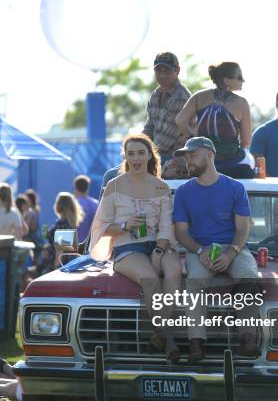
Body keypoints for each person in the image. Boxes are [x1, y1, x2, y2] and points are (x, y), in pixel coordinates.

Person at [90, 134, 182, 363]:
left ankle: (158, 336)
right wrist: (124, 225)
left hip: (159, 245)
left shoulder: (161, 186)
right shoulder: (114, 185)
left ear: (150, 155)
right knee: (150, 278)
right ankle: (168, 338)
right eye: (131, 153)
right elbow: (100, 226)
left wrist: (160, 250)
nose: (136, 158)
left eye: (141, 153)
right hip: (127, 248)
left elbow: (166, 225)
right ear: (126, 157)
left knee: (174, 271)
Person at [173, 137, 260, 363]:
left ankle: (248, 338)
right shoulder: (183, 192)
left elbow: (242, 228)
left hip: (233, 247)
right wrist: (200, 250)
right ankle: (196, 344)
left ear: (209, 154)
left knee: (249, 276)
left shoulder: (235, 187)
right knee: (194, 282)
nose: (188, 161)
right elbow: (181, 232)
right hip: (199, 249)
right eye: (186, 157)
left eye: (192, 155)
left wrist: (231, 253)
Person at [175, 61, 254, 178]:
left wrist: (192, 139)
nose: (243, 80)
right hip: (231, 162)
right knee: (250, 164)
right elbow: (246, 141)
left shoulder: (199, 96)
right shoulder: (241, 103)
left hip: (203, 159)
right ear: (226, 80)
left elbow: (180, 120)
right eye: (239, 77)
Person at [143, 52, 191, 167]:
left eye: (167, 71)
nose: (163, 75)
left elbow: (164, 142)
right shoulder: (156, 94)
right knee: (113, 175)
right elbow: (149, 128)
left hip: (174, 158)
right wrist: (138, 144)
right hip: (158, 154)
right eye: (159, 70)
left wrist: (140, 153)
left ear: (177, 71)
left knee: (113, 176)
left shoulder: (181, 98)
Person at [46, 192, 84, 271]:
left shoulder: (61, 223)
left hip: (60, 263)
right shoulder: (70, 223)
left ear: (59, 206)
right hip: (68, 262)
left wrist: (56, 266)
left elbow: (60, 248)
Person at [73, 175, 98, 243]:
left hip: (75, 246)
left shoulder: (72, 205)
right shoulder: (96, 204)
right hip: (91, 244)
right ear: (88, 187)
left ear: (75, 188)